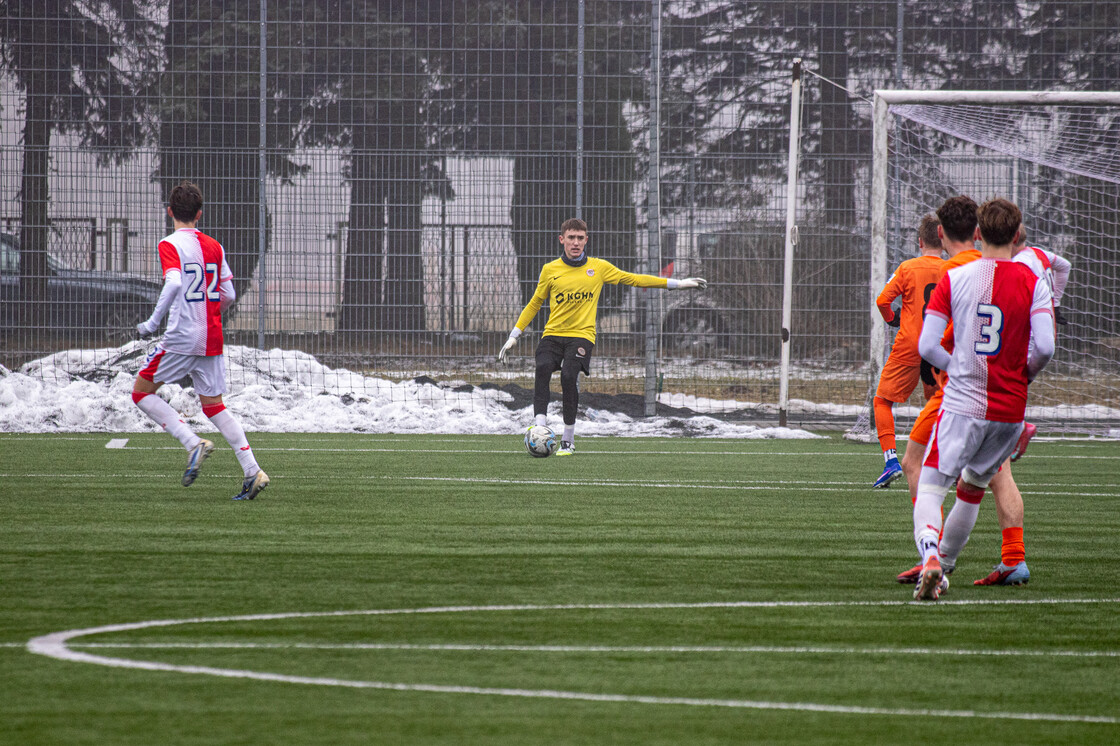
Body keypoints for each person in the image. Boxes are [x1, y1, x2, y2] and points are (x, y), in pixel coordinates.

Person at [910, 197, 1055, 600]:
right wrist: (1024, 373)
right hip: (1009, 410)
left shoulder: (957, 278)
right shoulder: (1034, 282)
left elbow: (927, 345)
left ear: (978, 233)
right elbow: (1044, 347)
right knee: (973, 486)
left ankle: (930, 557)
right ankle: (946, 567)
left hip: (963, 403)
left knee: (931, 485)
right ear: (1017, 233)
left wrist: (955, 367)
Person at [497, 218, 707, 456]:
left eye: (580, 238)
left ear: (586, 240)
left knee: (568, 377)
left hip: (581, 336)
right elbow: (534, 303)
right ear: (562, 240)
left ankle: (568, 439)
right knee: (543, 366)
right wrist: (514, 335)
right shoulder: (550, 270)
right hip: (553, 334)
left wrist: (678, 284)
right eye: (571, 238)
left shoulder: (598, 268)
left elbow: (635, 279)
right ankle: (540, 428)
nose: (575, 242)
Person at [131, 181, 269, 501]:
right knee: (215, 407)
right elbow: (230, 294)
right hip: (212, 337)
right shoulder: (215, 246)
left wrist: (153, 322)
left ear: (170, 212)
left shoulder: (169, 244)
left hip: (181, 338)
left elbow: (175, 282)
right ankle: (252, 471)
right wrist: (210, 313)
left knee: (141, 392)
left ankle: (193, 443)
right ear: (199, 214)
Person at [871, 214, 945, 488]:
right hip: (939, 346)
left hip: (909, 344)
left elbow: (882, 300)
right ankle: (938, 460)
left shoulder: (908, 267)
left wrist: (894, 319)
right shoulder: (953, 268)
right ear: (943, 239)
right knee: (938, 405)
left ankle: (891, 460)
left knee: (882, 401)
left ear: (919, 241)